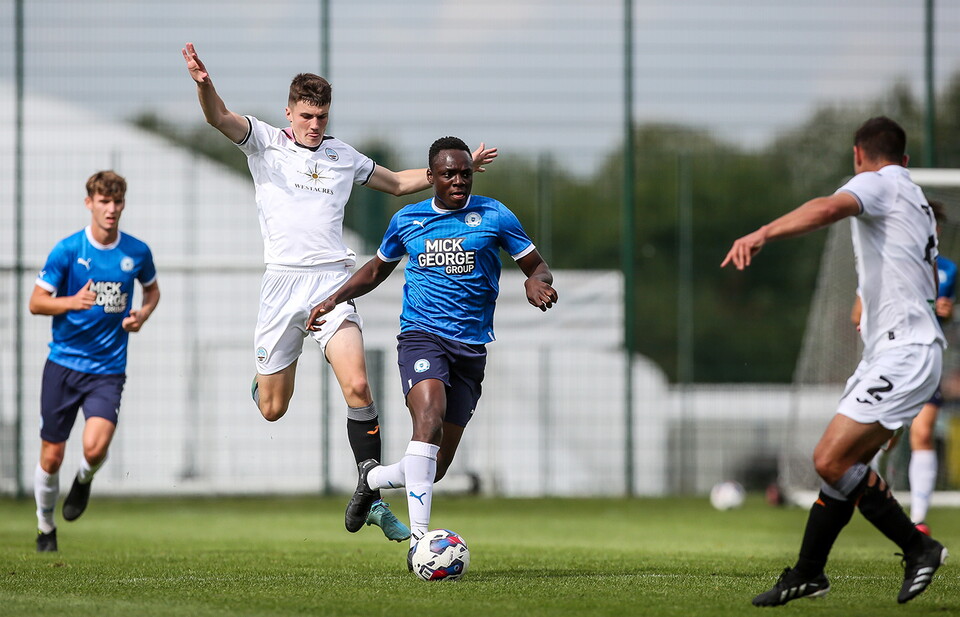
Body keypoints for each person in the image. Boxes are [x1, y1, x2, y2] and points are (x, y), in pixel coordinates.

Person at [181, 44, 497, 542]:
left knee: (358, 386)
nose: (314, 124)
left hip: (331, 283)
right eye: (306, 115)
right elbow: (218, 117)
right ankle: (263, 380)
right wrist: (203, 84)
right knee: (272, 408)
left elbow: (395, 183)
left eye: (322, 116)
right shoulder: (263, 140)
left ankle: (368, 489)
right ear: (290, 112)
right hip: (281, 286)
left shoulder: (341, 155)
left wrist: (452, 173)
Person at [722, 116, 948, 606]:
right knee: (842, 470)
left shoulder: (878, 181)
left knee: (829, 458)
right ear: (906, 160)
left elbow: (828, 208)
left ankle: (919, 547)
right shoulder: (913, 196)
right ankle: (808, 572)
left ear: (857, 155)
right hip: (898, 350)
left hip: (903, 350)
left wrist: (763, 233)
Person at [306, 136, 558, 569]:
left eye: (464, 173)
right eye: (449, 174)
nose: (459, 181)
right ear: (432, 177)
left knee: (435, 467)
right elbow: (374, 271)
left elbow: (535, 263)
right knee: (428, 419)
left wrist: (535, 280)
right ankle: (420, 545)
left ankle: (374, 478)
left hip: (471, 348)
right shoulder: (409, 219)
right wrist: (333, 298)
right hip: (422, 337)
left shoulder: (494, 215)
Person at [30, 170, 160, 552]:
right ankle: (45, 527)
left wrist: (144, 314)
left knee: (94, 449)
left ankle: (83, 481)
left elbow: (152, 291)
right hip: (63, 365)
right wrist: (71, 302)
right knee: (52, 456)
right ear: (89, 203)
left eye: (117, 202)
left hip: (107, 371)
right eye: (104, 202)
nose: (111, 209)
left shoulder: (136, 251)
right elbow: (36, 302)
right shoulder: (68, 250)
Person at [851, 200, 956, 536]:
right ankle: (872, 493)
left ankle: (919, 518)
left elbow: (944, 314)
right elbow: (858, 313)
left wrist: (945, 312)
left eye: (935, 225)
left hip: (923, 359)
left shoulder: (947, 270)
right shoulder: (884, 261)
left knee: (923, 432)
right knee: (885, 438)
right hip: (890, 360)